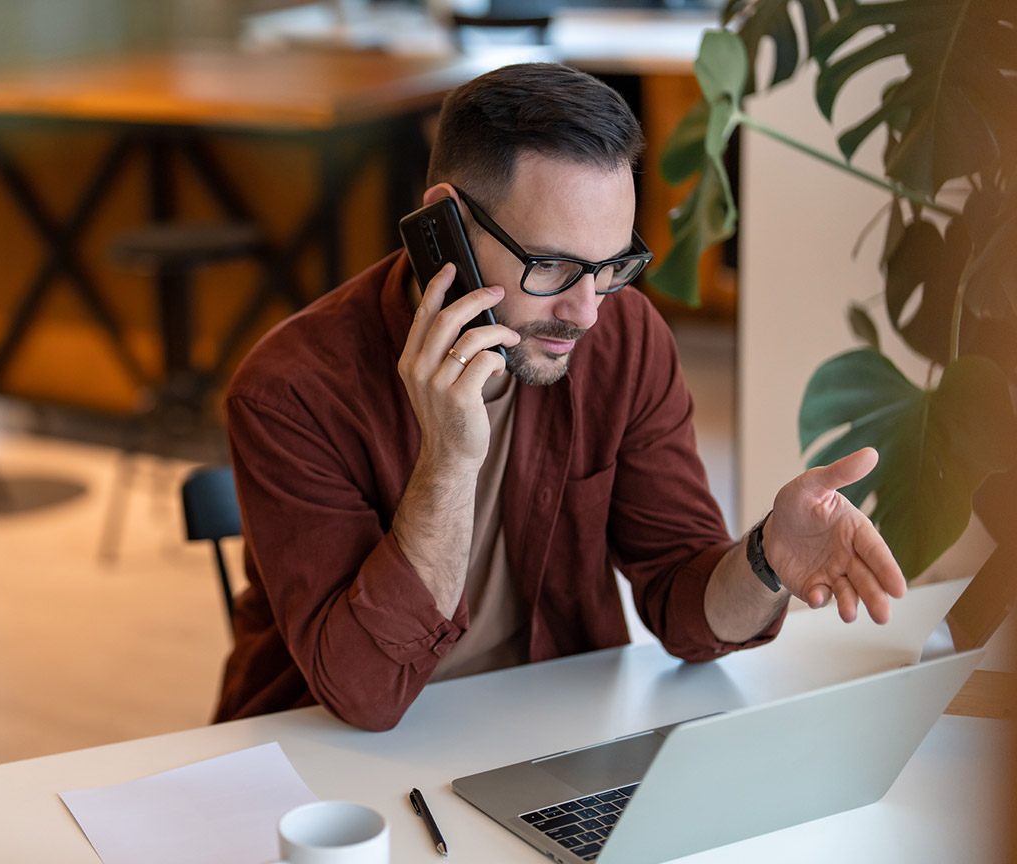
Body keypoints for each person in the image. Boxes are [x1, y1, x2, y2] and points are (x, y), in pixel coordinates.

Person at [212, 63, 907, 732]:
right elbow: (364, 695)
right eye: (552, 266)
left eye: (610, 267)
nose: (588, 312)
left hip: (550, 727)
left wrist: (767, 557)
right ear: (443, 228)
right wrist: (450, 462)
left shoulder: (625, 339)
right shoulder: (292, 389)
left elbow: (682, 605)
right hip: (323, 758)